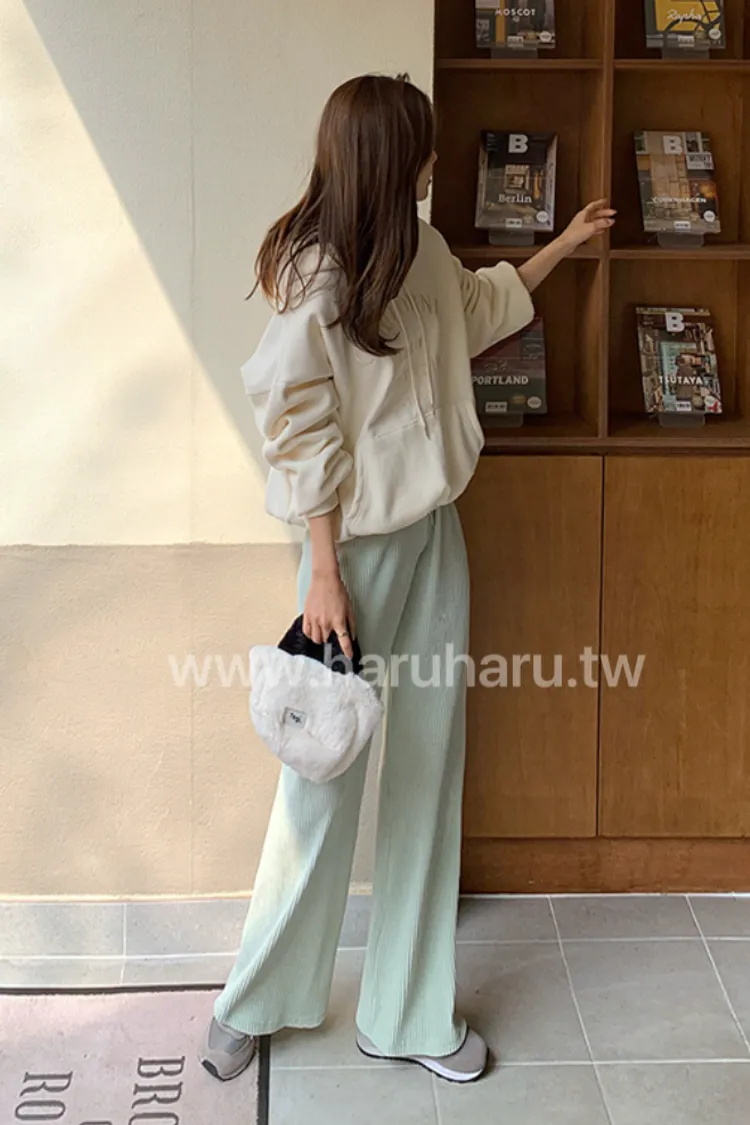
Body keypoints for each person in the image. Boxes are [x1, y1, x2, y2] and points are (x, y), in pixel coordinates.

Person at [200, 73, 614, 1085]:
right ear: (392, 158)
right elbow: (296, 425)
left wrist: (563, 245)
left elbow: (477, 308)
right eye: (424, 147)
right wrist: (324, 572)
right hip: (350, 555)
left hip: (434, 535)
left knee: (429, 768)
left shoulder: (417, 247)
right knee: (322, 773)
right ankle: (256, 998)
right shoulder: (317, 273)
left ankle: (410, 1012)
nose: (435, 161)